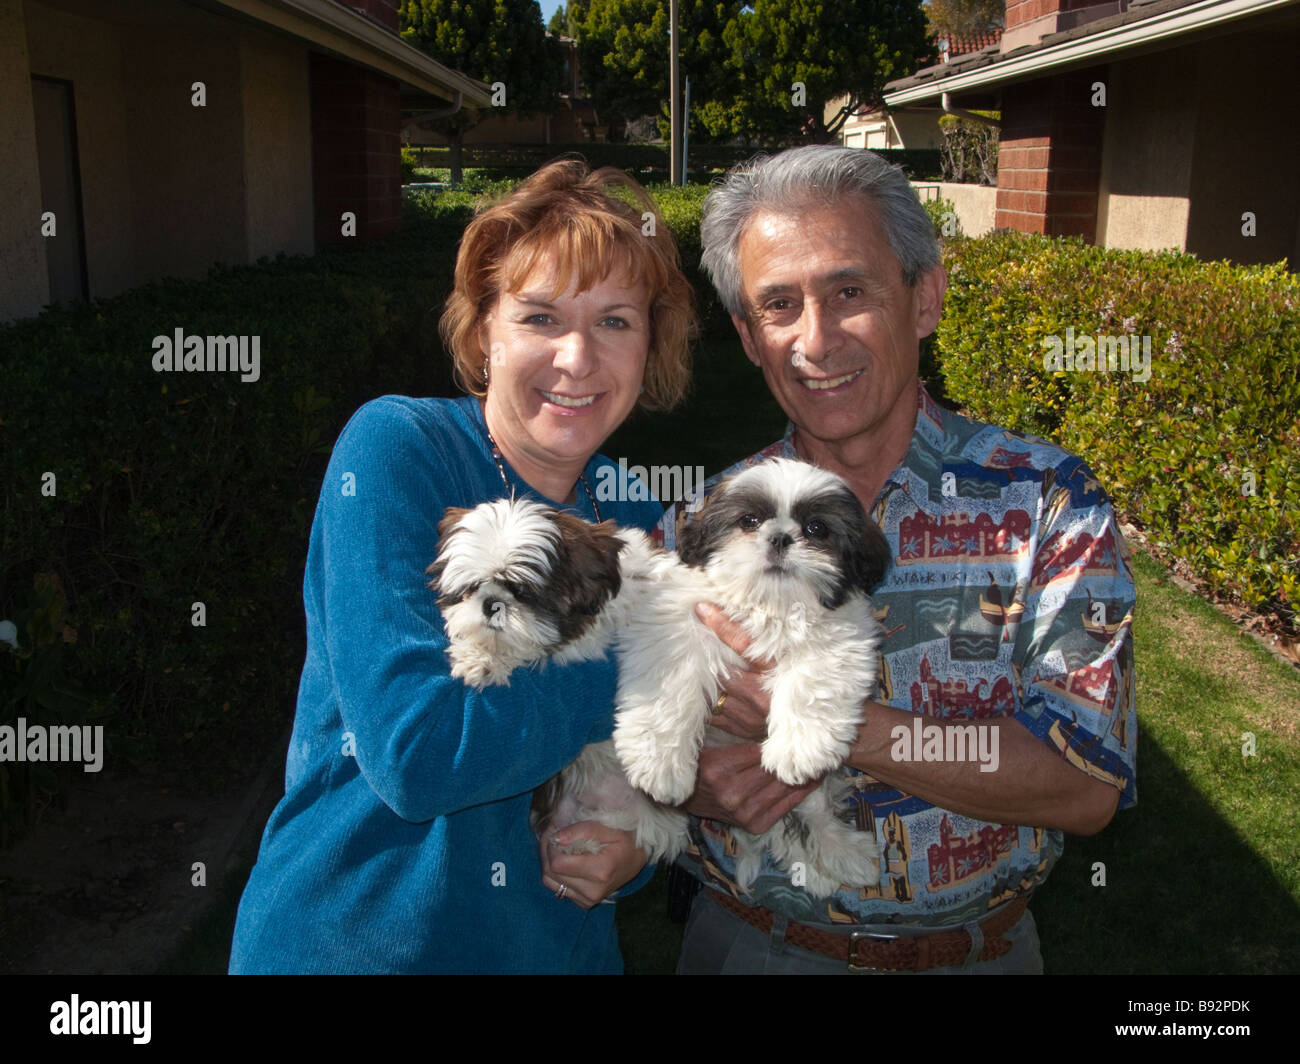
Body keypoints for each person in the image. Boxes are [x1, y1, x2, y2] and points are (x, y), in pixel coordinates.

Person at [662, 145, 1137, 974]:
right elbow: (630, 740)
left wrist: (817, 719)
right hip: (751, 948)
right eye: (779, 305)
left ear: (926, 298)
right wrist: (684, 783)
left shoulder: (1045, 502)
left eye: (850, 292)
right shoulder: (704, 523)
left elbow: (1083, 782)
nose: (815, 339)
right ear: (747, 337)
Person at [228, 159, 694, 973]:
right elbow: (420, 756)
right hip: (357, 941)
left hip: (549, 950)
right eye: (541, 318)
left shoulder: (636, 511)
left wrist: (634, 852)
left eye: (616, 321)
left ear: (650, 343)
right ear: (484, 333)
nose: (579, 357)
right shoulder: (397, 451)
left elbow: (669, 752)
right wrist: (648, 653)